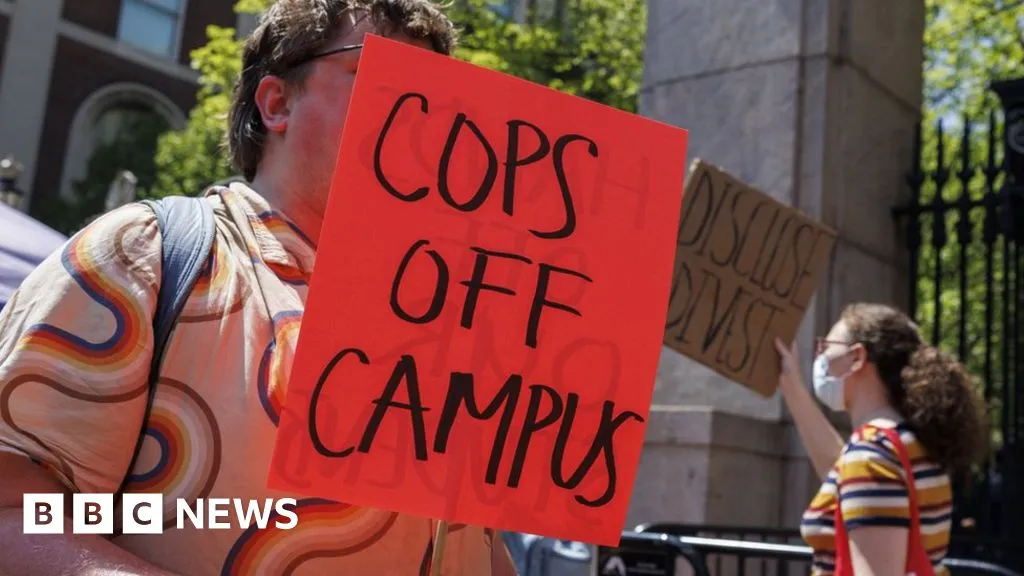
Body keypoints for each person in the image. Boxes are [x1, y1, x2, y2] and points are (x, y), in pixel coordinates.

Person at [0, 1, 517, 574]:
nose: (418, 113)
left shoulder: (454, 317)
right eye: (385, 76)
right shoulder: (144, 253)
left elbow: (481, 547)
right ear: (277, 103)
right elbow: (18, 516)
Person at [776, 303, 987, 576]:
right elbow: (838, 473)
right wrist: (791, 385)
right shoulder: (905, 442)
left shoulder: (870, 455)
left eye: (827, 346)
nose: (820, 356)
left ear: (857, 357)